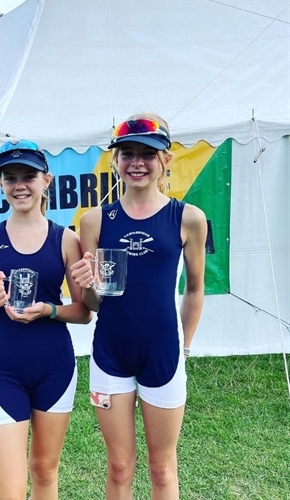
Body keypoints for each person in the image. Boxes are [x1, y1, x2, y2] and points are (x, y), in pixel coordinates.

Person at [70, 113, 207, 500]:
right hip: (110, 353)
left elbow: (195, 289)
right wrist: (86, 284)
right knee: (118, 466)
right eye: (127, 153)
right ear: (115, 161)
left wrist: (185, 347)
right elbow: (94, 303)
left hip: (163, 352)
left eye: (147, 153)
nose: (136, 162)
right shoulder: (95, 220)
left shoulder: (188, 218)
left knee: (162, 469)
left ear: (166, 159)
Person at [0, 139, 92, 500]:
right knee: (10, 489)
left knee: (45, 472)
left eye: (28, 176)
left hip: (56, 366)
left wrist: (49, 310)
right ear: (1, 184)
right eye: (10, 177)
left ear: (46, 181)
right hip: (5, 368)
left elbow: (84, 312)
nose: (19, 185)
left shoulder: (66, 239)